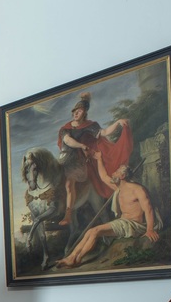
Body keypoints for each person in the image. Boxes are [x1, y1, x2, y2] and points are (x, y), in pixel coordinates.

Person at [56, 150, 160, 268]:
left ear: (123, 176)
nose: (113, 174)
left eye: (116, 172)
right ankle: (73, 257)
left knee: (95, 231)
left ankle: (76, 258)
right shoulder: (119, 188)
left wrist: (150, 229)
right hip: (123, 223)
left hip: (134, 225)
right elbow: (103, 177)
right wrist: (99, 159)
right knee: (91, 231)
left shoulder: (138, 190)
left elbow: (148, 209)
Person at [57, 92, 132, 226]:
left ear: (84, 113)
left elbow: (104, 132)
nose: (76, 113)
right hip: (65, 159)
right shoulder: (65, 128)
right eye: (74, 111)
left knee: (69, 184)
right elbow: (67, 141)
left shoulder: (90, 125)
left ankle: (68, 215)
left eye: (79, 111)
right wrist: (81, 145)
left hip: (78, 161)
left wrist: (118, 122)